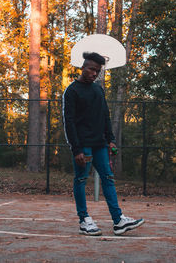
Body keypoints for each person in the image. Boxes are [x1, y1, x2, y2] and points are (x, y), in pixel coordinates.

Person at [62, 52, 144, 236]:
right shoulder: (72, 91)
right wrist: (76, 149)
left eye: (97, 71)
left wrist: (111, 140)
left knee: (108, 178)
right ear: (83, 67)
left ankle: (118, 221)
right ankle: (84, 220)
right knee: (81, 180)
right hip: (83, 146)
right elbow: (69, 122)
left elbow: (105, 116)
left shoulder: (98, 89)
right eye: (91, 69)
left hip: (100, 144)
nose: (94, 73)